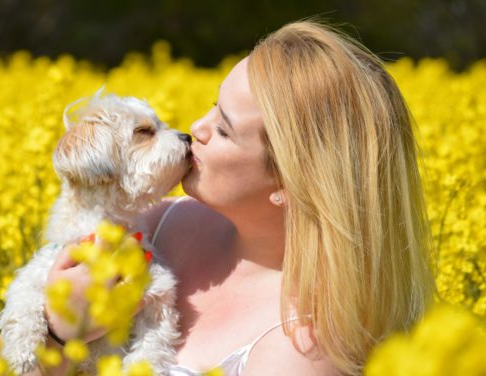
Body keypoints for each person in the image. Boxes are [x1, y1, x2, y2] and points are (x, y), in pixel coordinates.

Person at [32, 19, 436, 376]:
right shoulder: (155, 222)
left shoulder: (301, 352)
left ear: (291, 184)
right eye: (212, 107)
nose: (195, 128)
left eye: (223, 130)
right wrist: (56, 334)